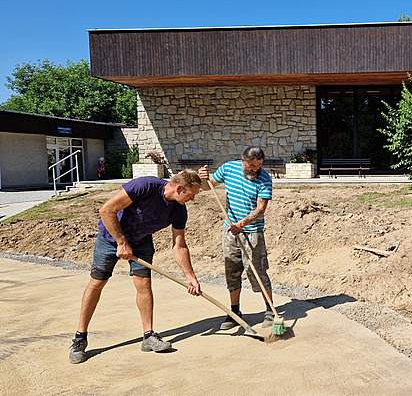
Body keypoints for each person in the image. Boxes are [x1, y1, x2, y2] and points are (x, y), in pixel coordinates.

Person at [69, 170, 203, 364]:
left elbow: (179, 246)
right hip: (110, 238)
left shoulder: (179, 209)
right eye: (191, 194)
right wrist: (121, 242)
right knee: (97, 283)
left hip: (141, 241)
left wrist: (190, 276)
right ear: (180, 188)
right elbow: (107, 210)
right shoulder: (145, 186)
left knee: (144, 284)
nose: (192, 199)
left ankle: (148, 336)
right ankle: (80, 338)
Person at [198, 146, 274, 330]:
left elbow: (260, 209)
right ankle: (234, 312)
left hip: (252, 231)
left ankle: (270, 311)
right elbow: (207, 187)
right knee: (231, 271)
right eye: (252, 165)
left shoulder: (264, 178)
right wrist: (202, 178)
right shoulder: (228, 169)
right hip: (230, 232)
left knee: (257, 270)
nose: (255, 169)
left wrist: (242, 224)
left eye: (259, 165)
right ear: (243, 160)